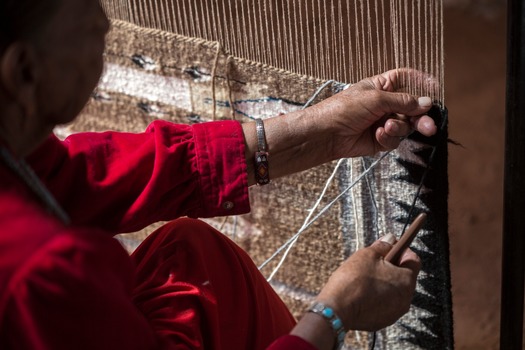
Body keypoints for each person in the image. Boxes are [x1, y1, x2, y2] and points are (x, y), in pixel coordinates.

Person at [0, 1, 438, 349]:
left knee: (190, 257)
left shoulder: (17, 159)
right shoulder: (39, 276)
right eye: (83, 18)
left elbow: (87, 179)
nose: (104, 23)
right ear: (23, 71)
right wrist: (334, 314)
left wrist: (319, 131)